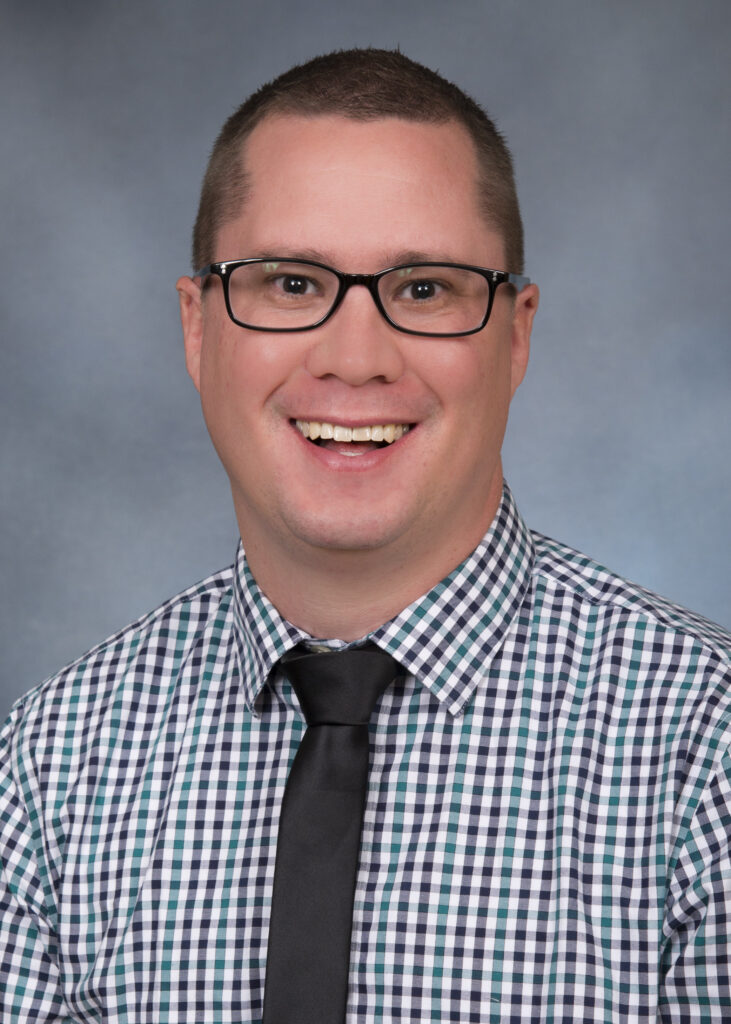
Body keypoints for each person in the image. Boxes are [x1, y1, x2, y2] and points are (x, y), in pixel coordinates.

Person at [1, 48, 729, 1024]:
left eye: (424, 288)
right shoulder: (50, 768)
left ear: (513, 336)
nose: (354, 359)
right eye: (291, 284)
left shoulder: (703, 758)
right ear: (196, 329)